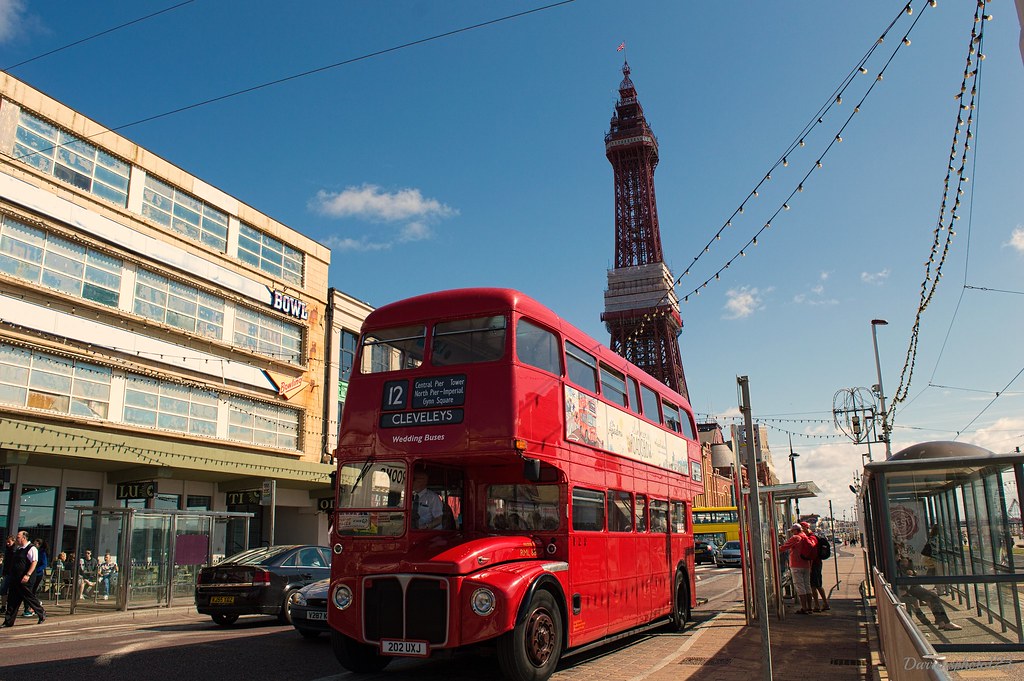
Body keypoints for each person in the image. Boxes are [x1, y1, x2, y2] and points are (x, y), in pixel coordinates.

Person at [897, 557, 961, 631]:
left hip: (910, 585)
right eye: (898, 554)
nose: (900, 557)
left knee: (932, 596)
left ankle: (941, 622)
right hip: (908, 587)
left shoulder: (900, 564)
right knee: (933, 596)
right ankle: (945, 622)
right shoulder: (896, 565)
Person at [2, 531, 46, 626]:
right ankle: (8, 621)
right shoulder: (18, 549)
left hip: (25, 579)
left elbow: (34, 562)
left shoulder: (31, 548)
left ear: (24, 538)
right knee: (12, 599)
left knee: (28, 597)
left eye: (18, 537)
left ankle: (41, 612)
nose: (17, 539)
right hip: (15, 578)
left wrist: (28, 574)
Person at [779, 523, 814, 614]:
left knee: (800, 586)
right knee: (807, 586)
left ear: (795, 530)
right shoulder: (805, 537)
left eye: (792, 531)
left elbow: (783, 547)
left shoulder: (796, 538)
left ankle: (804, 608)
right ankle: (810, 607)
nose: (791, 533)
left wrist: (773, 548)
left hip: (796, 565)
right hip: (806, 564)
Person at [804, 523, 830, 612]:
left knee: (814, 585)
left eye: (803, 529)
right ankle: (824, 603)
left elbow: (813, 553)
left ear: (806, 528)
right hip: (817, 563)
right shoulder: (814, 537)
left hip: (814, 564)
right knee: (817, 585)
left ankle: (817, 605)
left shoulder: (812, 538)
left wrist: (810, 565)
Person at [22, 539, 48, 617]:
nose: (34, 544)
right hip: (30, 574)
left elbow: (44, 564)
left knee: (32, 591)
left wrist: (36, 571)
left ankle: (33, 607)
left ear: (39, 545)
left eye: (35, 544)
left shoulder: (42, 553)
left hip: (38, 575)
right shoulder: (30, 550)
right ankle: (30, 607)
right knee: (28, 591)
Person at [0, 536, 14, 616]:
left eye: (9, 542)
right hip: (6, 573)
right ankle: (3, 606)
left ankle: (9, 607)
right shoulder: (7, 550)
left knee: (11, 591)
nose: (8, 543)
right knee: (3, 590)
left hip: (12, 573)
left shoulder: (15, 550)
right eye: (7, 542)